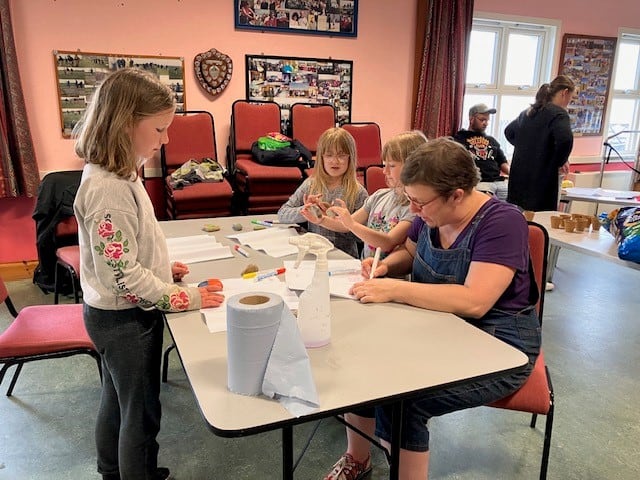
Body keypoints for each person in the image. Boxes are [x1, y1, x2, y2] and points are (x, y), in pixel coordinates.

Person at [324, 137, 541, 480]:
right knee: (360, 365)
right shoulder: (430, 211)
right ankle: (357, 457)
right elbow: (411, 254)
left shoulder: (502, 222)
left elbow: (475, 300)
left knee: (407, 401)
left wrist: (396, 288)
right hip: (439, 328)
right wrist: (384, 268)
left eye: (419, 202)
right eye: (409, 199)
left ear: (457, 194)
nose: (413, 210)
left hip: (500, 342)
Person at [73, 68, 225, 480]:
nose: (166, 139)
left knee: (117, 399)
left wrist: (161, 267)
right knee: (140, 412)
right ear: (125, 124)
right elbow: (124, 277)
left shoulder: (118, 173)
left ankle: (112, 471)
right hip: (125, 319)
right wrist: (186, 297)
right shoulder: (109, 190)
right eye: (159, 129)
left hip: (112, 312)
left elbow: (125, 252)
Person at [319, 131, 427, 261]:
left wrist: (351, 223)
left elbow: (388, 242)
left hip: (391, 277)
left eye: (391, 165)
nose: (384, 171)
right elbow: (344, 226)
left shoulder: (415, 209)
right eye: (384, 164)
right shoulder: (378, 196)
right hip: (366, 269)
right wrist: (320, 219)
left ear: (412, 168)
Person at [277, 127, 368, 258]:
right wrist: (306, 211)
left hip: (344, 258)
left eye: (341, 155)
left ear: (350, 157)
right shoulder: (311, 184)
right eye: (329, 155)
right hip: (313, 255)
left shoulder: (358, 192)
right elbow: (282, 214)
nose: (335, 161)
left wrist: (338, 221)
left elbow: (363, 237)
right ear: (321, 157)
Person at [505, 75, 576, 211]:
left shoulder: (527, 113)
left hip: (519, 177)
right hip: (541, 180)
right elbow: (565, 140)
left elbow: (509, 132)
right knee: (541, 222)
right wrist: (559, 161)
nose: (568, 102)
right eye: (570, 98)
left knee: (520, 218)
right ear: (564, 92)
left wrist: (527, 147)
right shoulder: (558, 114)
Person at [453, 103, 510, 200]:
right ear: (471, 119)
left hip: (499, 181)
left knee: (514, 205)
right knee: (491, 208)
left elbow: (503, 163)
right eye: (482, 120)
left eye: (487, 120)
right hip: (480, 183)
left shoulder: (491, 140)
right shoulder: (459, 139)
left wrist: (516, 175)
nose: (486, 123)